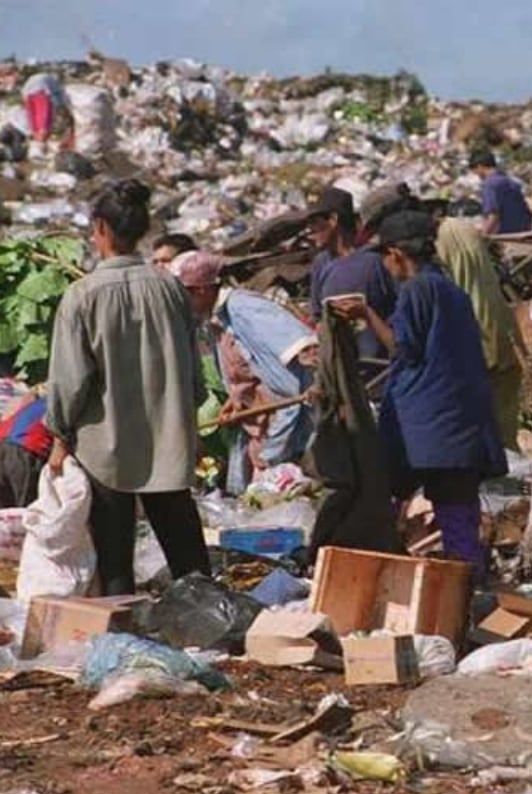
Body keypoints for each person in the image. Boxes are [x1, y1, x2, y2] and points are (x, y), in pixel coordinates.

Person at [44, 179, 210, 596]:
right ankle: (215, 625)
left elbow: (70, 381)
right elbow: (194, 370)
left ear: (100, 228)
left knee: (116, 561)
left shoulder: (82, 296)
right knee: (188, 554)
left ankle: (123, 635)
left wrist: (60, 436)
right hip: (167, 439)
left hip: (107, 448)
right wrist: (189, 417)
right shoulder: (170, 287)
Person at [344, 211, 507, 579]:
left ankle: (440, 588)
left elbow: (403, 347)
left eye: (385, 259)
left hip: (428, 424)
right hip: (459, 419)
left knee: (388, 495)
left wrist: (366, 313)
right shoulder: (451, 289)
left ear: (396, 254)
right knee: (458, 513)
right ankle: (470, 584)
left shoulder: (417, 290)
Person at [175, 252, 318, 494]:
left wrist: (271, 454)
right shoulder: (217, 321)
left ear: (201, 290)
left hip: (289, 437)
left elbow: (288, 388)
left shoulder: (244, 309)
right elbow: (247, 370)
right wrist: (237, 400)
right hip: (262, 434)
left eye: (184, 294)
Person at [435, 217, 524, 449]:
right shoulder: (464, 229)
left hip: (475, 339)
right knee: (504, 426)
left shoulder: (441, 248)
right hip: (505, 332)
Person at [306, 187, 398, 360]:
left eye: (314, 221)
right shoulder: (321, 264)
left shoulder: (376, 261)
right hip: (343, 372)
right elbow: (319, 320)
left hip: (380, 368)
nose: (309, 230)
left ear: (333, 220)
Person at [0, 394, 51, 508]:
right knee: (25, 512)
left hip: (3, 440)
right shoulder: (59, 403)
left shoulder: (32, 405)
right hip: (25, 448)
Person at [470, 150, 532, 235]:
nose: (475, 174)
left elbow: (493, 216)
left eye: (474, 170)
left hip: (505, 236)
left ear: (480, 166)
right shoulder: (511, 181)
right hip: (524, 232)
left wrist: (482, 238)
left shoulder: (490, 184)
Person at [21, 72, 74, 156]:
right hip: (37, 90)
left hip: (35, 89)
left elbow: (35, 114)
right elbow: (36, 114)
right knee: (43, 115)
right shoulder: (38, 128)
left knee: (43, 114)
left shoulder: (37, 128)